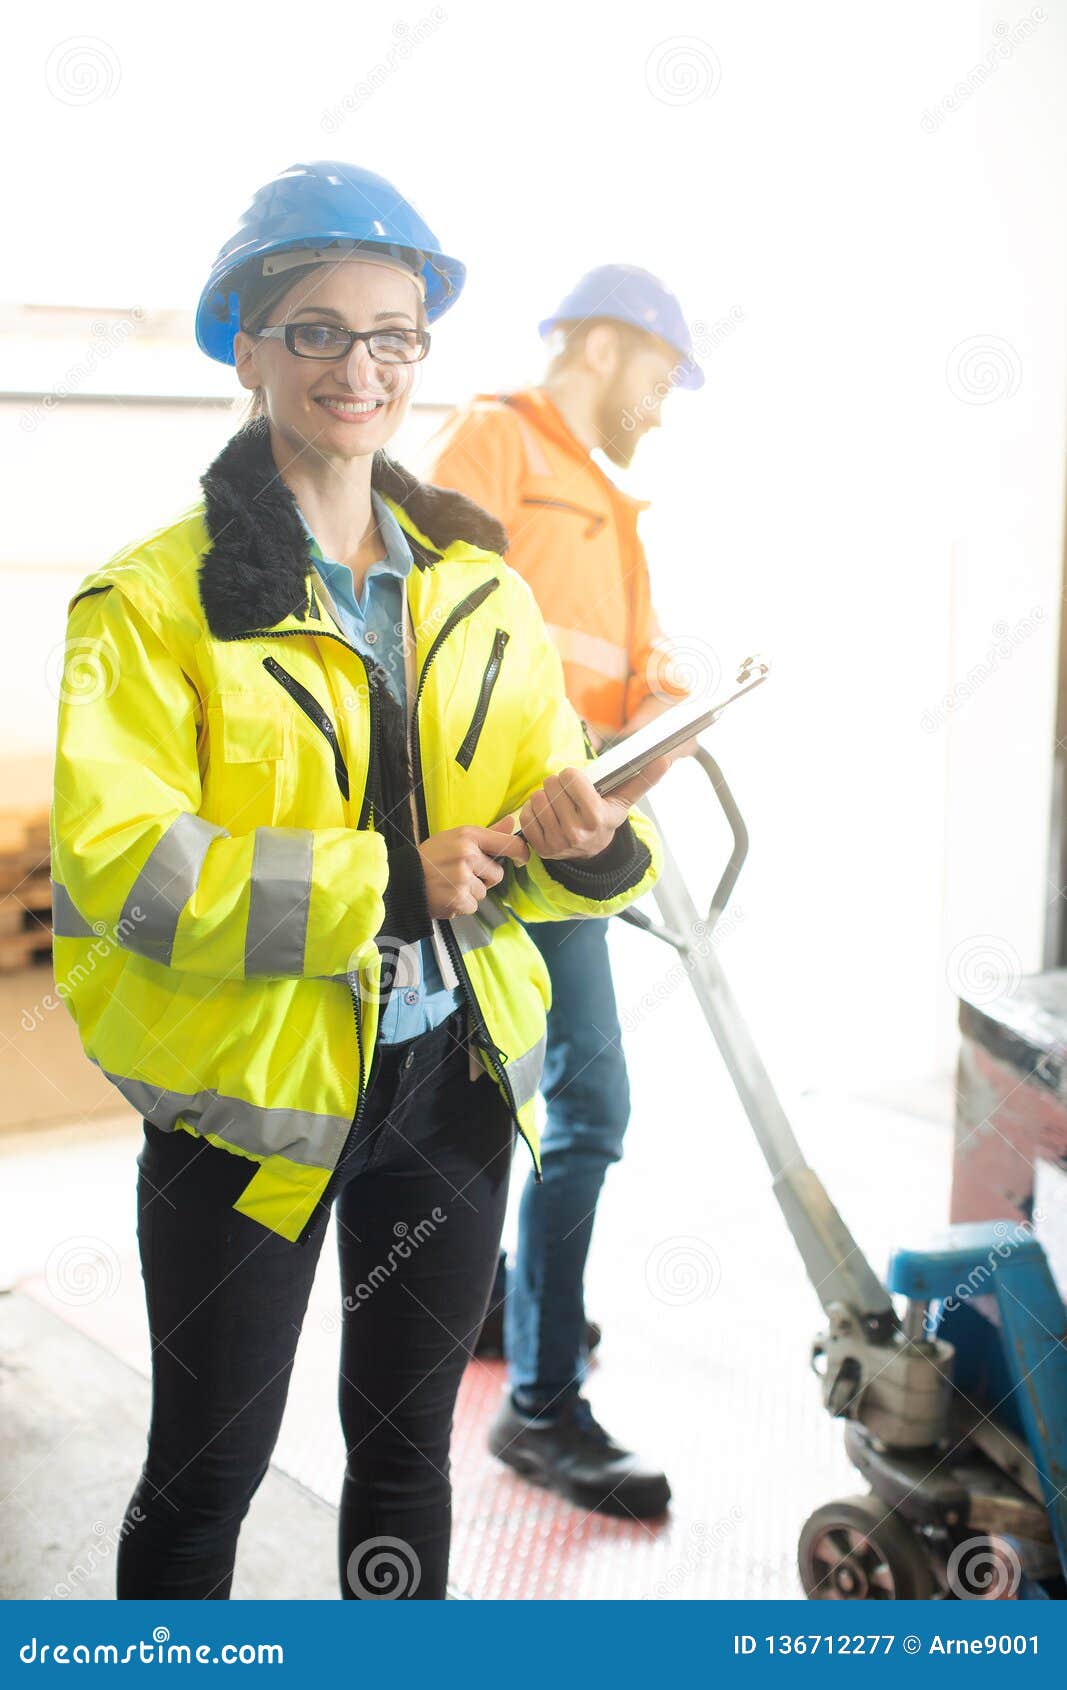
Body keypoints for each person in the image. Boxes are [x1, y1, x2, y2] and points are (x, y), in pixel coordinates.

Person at [49, 167, 672, 1600]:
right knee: (204, 1474)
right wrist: (382, 884)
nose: (359, 368)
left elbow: (518, 853)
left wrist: (588, 842)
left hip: (450, 1091)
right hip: (251, 1108)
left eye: (393, 336)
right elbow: (124, 872)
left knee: (405, 1463)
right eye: (318, 331)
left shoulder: (479, 589)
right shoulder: (150, 603)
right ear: (247, 348)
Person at [425, 264, 703, 1519]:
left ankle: (499, 1307)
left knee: (518, 1095)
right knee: (582, 1110)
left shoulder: (607, 500)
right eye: (661, 374)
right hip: (498, 847)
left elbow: (622, 661)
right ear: (602, 344)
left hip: (571, 848)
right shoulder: (495, 442)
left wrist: (667, 697)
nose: (664, 402)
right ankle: (538, 1409)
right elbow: (431, 625)